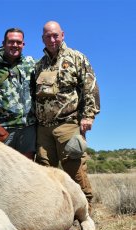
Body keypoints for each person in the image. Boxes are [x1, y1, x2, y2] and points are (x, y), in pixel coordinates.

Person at [33, 21, 100, 207]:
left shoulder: (77, 58)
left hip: (68, 125)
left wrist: (88, 115)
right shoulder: (39, 66)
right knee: (45, 173)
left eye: (55, 35)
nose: (52, 39)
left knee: (75, 170)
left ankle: (86, 215)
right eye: (48, 36)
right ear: (42, 39)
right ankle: (54, 214)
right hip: (43, 129)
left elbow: (91, 87)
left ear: (62, 35)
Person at [0, 28, 37, 160]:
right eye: (11, 42)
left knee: (27, 170)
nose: (15, 45)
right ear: (4, 43)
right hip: (3, 128)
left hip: (28, 127)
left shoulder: (31, 64)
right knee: (2, 170)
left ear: (23, 45)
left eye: (18, 42)